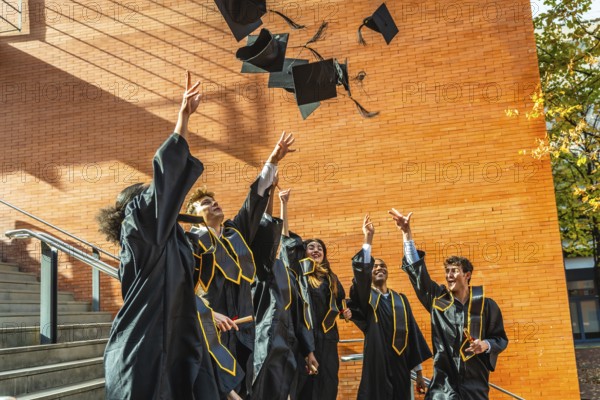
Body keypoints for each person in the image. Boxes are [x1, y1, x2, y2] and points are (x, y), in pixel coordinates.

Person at [97, 72, 219, 399]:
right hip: (141, 356)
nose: (158, 195)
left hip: (172, 351)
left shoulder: (171, 242)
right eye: (148, 195)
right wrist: (183, 120)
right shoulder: (138, 230)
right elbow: (162, 186)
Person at [185, 131, 296, 399]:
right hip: (213, 331)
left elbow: (254, 202)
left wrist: (272, 160)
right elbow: (182, 286)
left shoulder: (235, 233)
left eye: (215, 200)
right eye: (206, 203)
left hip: (245, 331)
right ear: (193, 217)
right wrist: (209, 315)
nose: (214, 204)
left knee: (246, 391)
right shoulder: (190, 242)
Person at [389, 209, 509, 400]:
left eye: (454, 271)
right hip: (443, 385)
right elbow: (419, 275)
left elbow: (500, 339)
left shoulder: (486, 305)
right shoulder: (439, 300)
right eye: (447, 271)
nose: (448, 275)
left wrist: (484, 345)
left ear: (467, 275)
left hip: (475, 383)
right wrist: (406, 234)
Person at [348, 214, 432, 399]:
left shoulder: (400, 300)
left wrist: (418, 374)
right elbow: (360, 277)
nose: (379, 268)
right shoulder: (366, 297)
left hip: (400, 364)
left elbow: (413, 336)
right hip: (376, 361)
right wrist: (368, 239)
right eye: (374, 267)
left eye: (383, 266)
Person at [279, 190, 351, 400]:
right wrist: (284, 204)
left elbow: (342, 303)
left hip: (328, 338)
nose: (316, 250)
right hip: (305, 338)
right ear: (304, 253)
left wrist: (345, 312)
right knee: (306, 387)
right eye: (311, 247)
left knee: (328, 384)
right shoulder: (299, 273)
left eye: (320, 248)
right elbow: (285, 242)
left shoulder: (332, 278)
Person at [249, 179, 318, 400]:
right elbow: (267, 228)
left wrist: (309, 351)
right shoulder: (265, 266)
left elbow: (300, 322)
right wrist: (272, 197)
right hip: (265, 338)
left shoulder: (292, 280)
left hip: (288, 343)